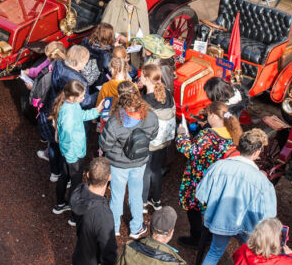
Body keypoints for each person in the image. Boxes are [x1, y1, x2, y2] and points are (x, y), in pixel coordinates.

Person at [190, 129, 276, 265]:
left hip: (221, 221)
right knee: (252, 259)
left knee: (214, 253)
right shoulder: (262, 181)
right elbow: (269, 214)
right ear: (256, 152)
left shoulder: (219, 166)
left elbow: (201, 195)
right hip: (248, 226)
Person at [175, 100, 243, 249]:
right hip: (217, 179)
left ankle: (196, 238)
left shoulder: (208, 135)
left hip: (198, 178)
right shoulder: (232, 133)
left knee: (193, 208)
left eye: (208, 115)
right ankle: (209, 236)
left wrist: (182, 136)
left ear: (213, 116)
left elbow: (190, 151)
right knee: (210, 209)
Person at [99, 89, 159, 238]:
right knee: (136, 194)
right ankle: (136, 227)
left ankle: (114, 227)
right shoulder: (150, 116)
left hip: (118, 164)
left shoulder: (115, 121)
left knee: (117, 196)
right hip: (139, 162)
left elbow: (105, 145)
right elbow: (153, 135)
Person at [49, 80, 103, 215]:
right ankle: (74, 215)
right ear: (73, 97)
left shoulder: (72, 105)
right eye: (82, 96)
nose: (84, 98)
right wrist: (71, 158)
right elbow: (66, 138)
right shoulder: (69, 113)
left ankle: (60, 204)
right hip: (73, 154)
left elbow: (81, 116)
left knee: (64, 177)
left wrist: (96, 111)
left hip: (69, 153)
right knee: (76, 183)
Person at [141, 62, 175, 211]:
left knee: (146, 171)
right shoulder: (167, 93)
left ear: (147, 79)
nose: (140, 78)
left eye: (142, 76)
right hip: (164, 139)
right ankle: (156, 200)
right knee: (156, 170)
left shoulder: (145, 101)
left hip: (149, 142)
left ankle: (143, 202)